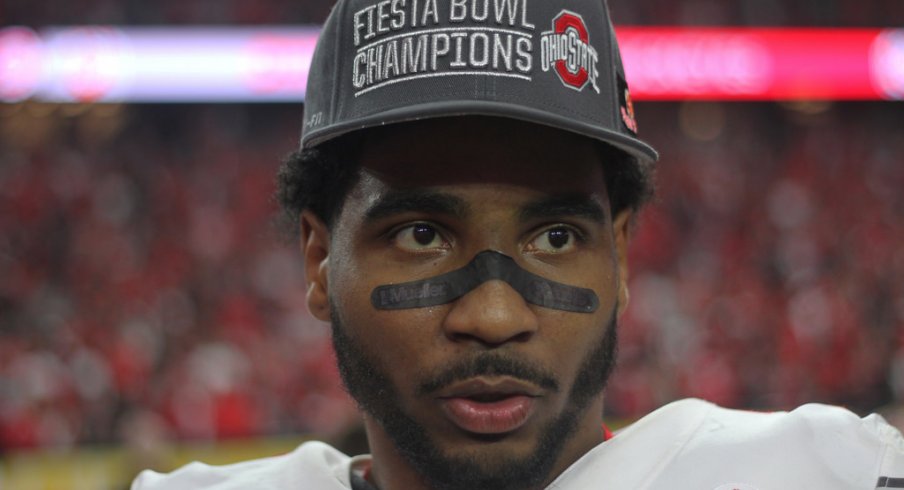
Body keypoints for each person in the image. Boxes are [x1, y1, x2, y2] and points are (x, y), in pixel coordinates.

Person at [132, 0, 904, 488]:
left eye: (557, 235)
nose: (495, 315)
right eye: (422, 234)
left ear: (623, 257)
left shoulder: (823, 472)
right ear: (316, 258)